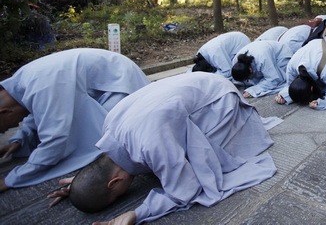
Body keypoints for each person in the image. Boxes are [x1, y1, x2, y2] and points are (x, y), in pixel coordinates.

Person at [49, 72, 279, 224]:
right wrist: (83, 183)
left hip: (220, 95)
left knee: (205, 162)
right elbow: (98, 172)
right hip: (200, 80)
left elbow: (185, 188)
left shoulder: (150, 145)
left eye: (118, 196)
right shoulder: (109, 123)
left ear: (114, 182)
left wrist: (137, 213)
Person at [0, 48, 150, 192]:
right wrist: (20, 140)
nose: (9, 128)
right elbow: (37, 110)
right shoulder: (25, 80)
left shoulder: (40, 85)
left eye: (3, 128)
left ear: (4, 112)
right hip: (104, 82)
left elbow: (55, 139)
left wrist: (13, 179)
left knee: (109, 142)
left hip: (119, 84)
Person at [275, 35, 326, 110]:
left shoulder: (325, 70)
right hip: (318, 47)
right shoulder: (291, 66)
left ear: (312, 88)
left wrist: (321, 103)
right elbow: (290, 84)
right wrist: (284, 96)